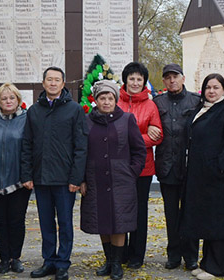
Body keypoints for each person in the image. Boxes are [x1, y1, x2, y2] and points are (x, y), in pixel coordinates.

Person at [21, 67, 88, 280]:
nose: (52, 83)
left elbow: (81, 147)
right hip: (41, 178)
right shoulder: (34, 111)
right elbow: (26, 145)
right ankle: (49, 261)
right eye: (49, 79)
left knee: (65, 224)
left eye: (57, 80)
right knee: (45, 223)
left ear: (63, 84)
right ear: (43, 83)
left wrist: (76, 178)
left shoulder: (74, 110)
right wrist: (26, 175)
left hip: (64, 180)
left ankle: (62, 263)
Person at [181, 74, 224, 280]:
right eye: (208, 87)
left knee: (221, 223)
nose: (211, 91)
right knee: (207, 222)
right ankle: (208, 263)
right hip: (202, 177)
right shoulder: (201, 110)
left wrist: (221, 166)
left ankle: (221, 267)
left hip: (222, 178)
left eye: (216, 87)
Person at [80, 80, 147, 280]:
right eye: (103, 98)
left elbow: (139, 150)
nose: (107, 101)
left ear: (116, 100)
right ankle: (108, 260)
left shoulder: (127, 119)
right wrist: (82, 179)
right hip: (95, 179)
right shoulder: (87, 121)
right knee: (102, 220)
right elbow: (81, 152)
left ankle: (117, 263)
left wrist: (132, 172)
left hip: (121, 180)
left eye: (110, 98)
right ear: (96, 100)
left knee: (119, 221)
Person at [153, 63, 201, 270]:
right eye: (168, 77)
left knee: (191, 213)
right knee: (171, 214)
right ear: (163, 81)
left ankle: (191, 255)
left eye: (176, 76)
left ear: (183, 78)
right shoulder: (157, 102)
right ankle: (173, 253)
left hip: (190, 166)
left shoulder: (196, 101)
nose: (172, 80)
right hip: (167, 166)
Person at [117, 61, 163, 269]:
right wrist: (140, 136)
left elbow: (157, 136)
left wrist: (129, 138)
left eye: (139, 79)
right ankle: (120, 252)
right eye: (131, 78)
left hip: (143, 168)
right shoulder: (115, 101)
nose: (135, 82)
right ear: (125, 80)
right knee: (119, 210)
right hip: (118, 167)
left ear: (144, 82)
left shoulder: (150, 105)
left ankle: (137, 255)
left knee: (139, 212)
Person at [0, 83, 31, 274]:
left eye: (12, 98)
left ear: (18, 100)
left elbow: (30, 149)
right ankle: (4, 258)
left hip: (18, 182)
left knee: (16, 221)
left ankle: (16, 258)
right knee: (0, 222)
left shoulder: (26, 120)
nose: (8, 101)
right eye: (4, 98)